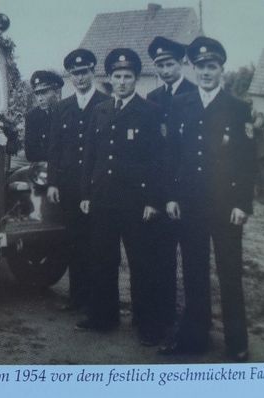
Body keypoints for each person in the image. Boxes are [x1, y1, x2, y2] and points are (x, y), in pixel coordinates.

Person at [160, 36, 257, 362]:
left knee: (229, 274)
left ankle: (237, 342)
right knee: (194, 272)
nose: (205, 72)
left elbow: (247, 163)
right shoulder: (181, 104)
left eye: (211, 66)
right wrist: (171, 196)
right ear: (194, 68)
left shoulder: (237, 108)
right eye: (200, 66)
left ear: (221, 70)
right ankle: (195, 336)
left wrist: (243, 204)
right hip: (190, 204)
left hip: (226, 207)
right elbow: (171, 155)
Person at [76, 48, 164, 346]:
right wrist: (86, 192)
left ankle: (146, 322)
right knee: (102, 260)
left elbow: (156, 161)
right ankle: (103, 316)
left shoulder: (149, 111)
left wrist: (153, 200)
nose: (122, 81)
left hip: (136, 202)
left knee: (142, 264)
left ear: (136, 79)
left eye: (128, 76)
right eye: (117, 76)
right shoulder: (101, 109)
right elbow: (91, 155)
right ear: (109, 78)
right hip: (103, 198)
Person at [47, 49, 108, 311]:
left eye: (84, 72)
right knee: (74, 241)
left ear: (93, 72)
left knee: (97, 243)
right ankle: (76, 297)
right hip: (69, 184)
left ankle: (96, 300)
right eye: (75, 73)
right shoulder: (62, 107)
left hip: (97, 185)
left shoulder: (106, 103)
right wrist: (52, 182)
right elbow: (54, 148)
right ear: (70, 76)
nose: (80, 78)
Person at [145, 36, 198, 335]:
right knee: (160, 259)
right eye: (160, 65)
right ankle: (163, 318)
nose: (165, 70)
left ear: (182, 64)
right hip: (160, 190)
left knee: (192, 264)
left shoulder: (195, 93)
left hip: (188, 191)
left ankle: (192, 323)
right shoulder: (153, 97)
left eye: (170, 64)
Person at [23, 70, 64, 163]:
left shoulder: (66, 112)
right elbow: (30, 153)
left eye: (44, 92)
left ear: (56, 91)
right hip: (43, 169)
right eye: (37, 94)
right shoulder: (32, 117)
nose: (40, 98)